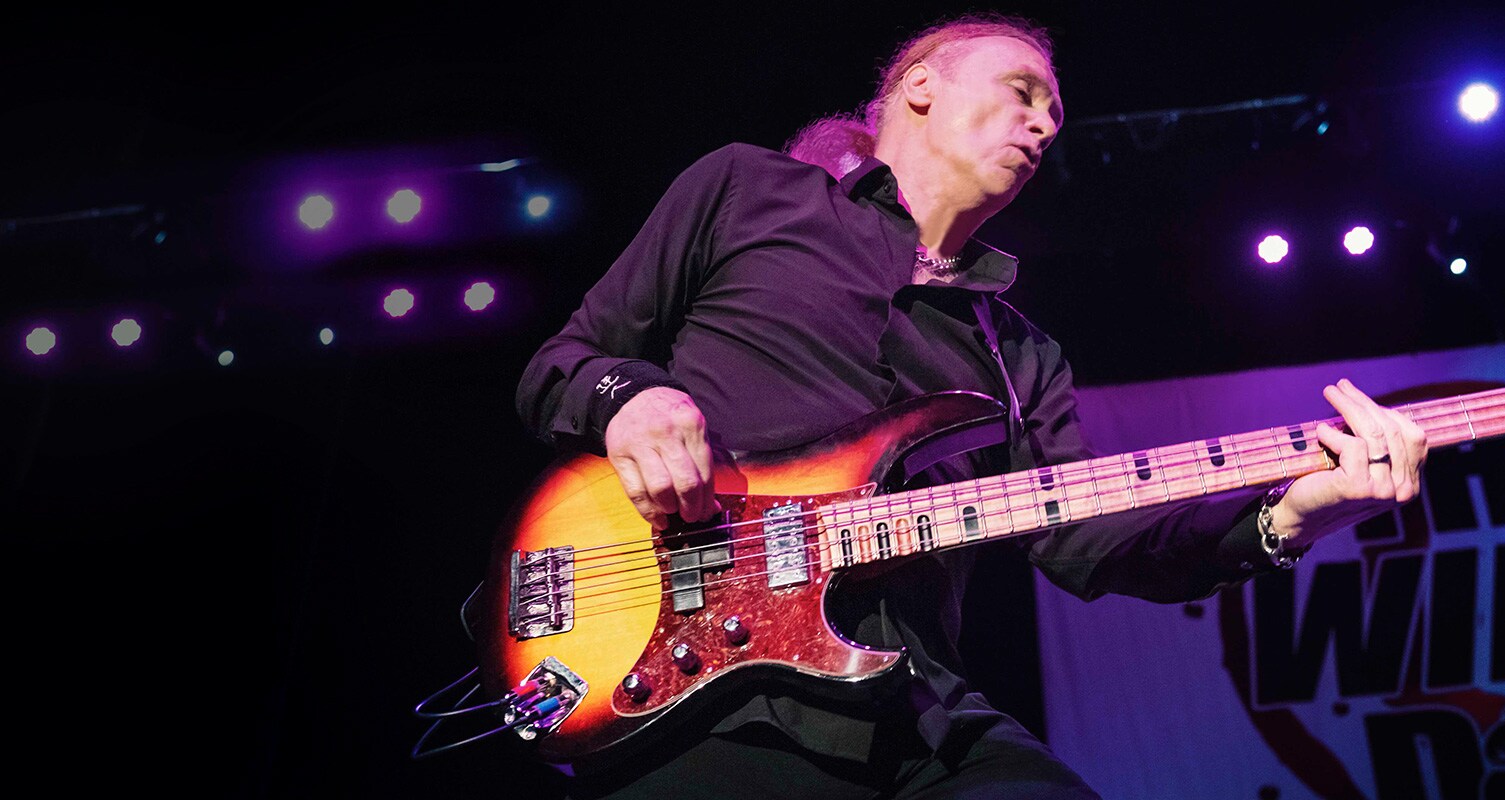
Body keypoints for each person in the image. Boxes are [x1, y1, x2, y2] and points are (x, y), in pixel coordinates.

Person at [514, 12, 1428, 799]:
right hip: (702, 691)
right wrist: (632, 400)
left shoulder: (1019, 353)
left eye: (1055, 115)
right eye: (1023, 93)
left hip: (915, 712)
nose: (1044, 124)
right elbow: (562, 364)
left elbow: (1093, 544)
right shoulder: (747, 191)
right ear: (920, 86)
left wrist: (1294, 515)